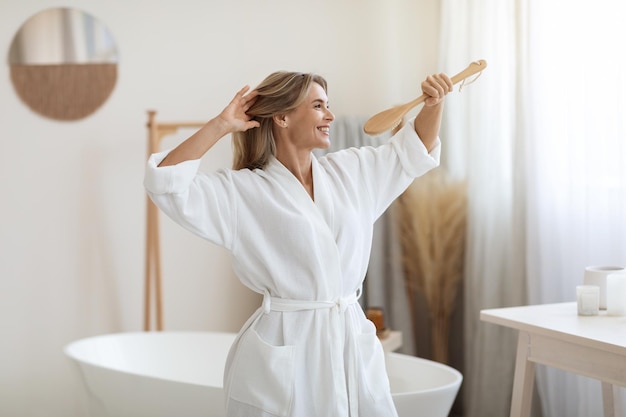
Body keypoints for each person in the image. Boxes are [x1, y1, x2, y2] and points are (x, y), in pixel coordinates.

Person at [144, 70, 453, 417]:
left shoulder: (351, 172)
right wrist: (220, 124)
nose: (331, 116)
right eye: (319, 106)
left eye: (328, 105)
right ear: (282, 116)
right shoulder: (243, 192)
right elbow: (166, 184)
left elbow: (412, 152)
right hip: (286, 340)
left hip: (349, 334)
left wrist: (433, 104)